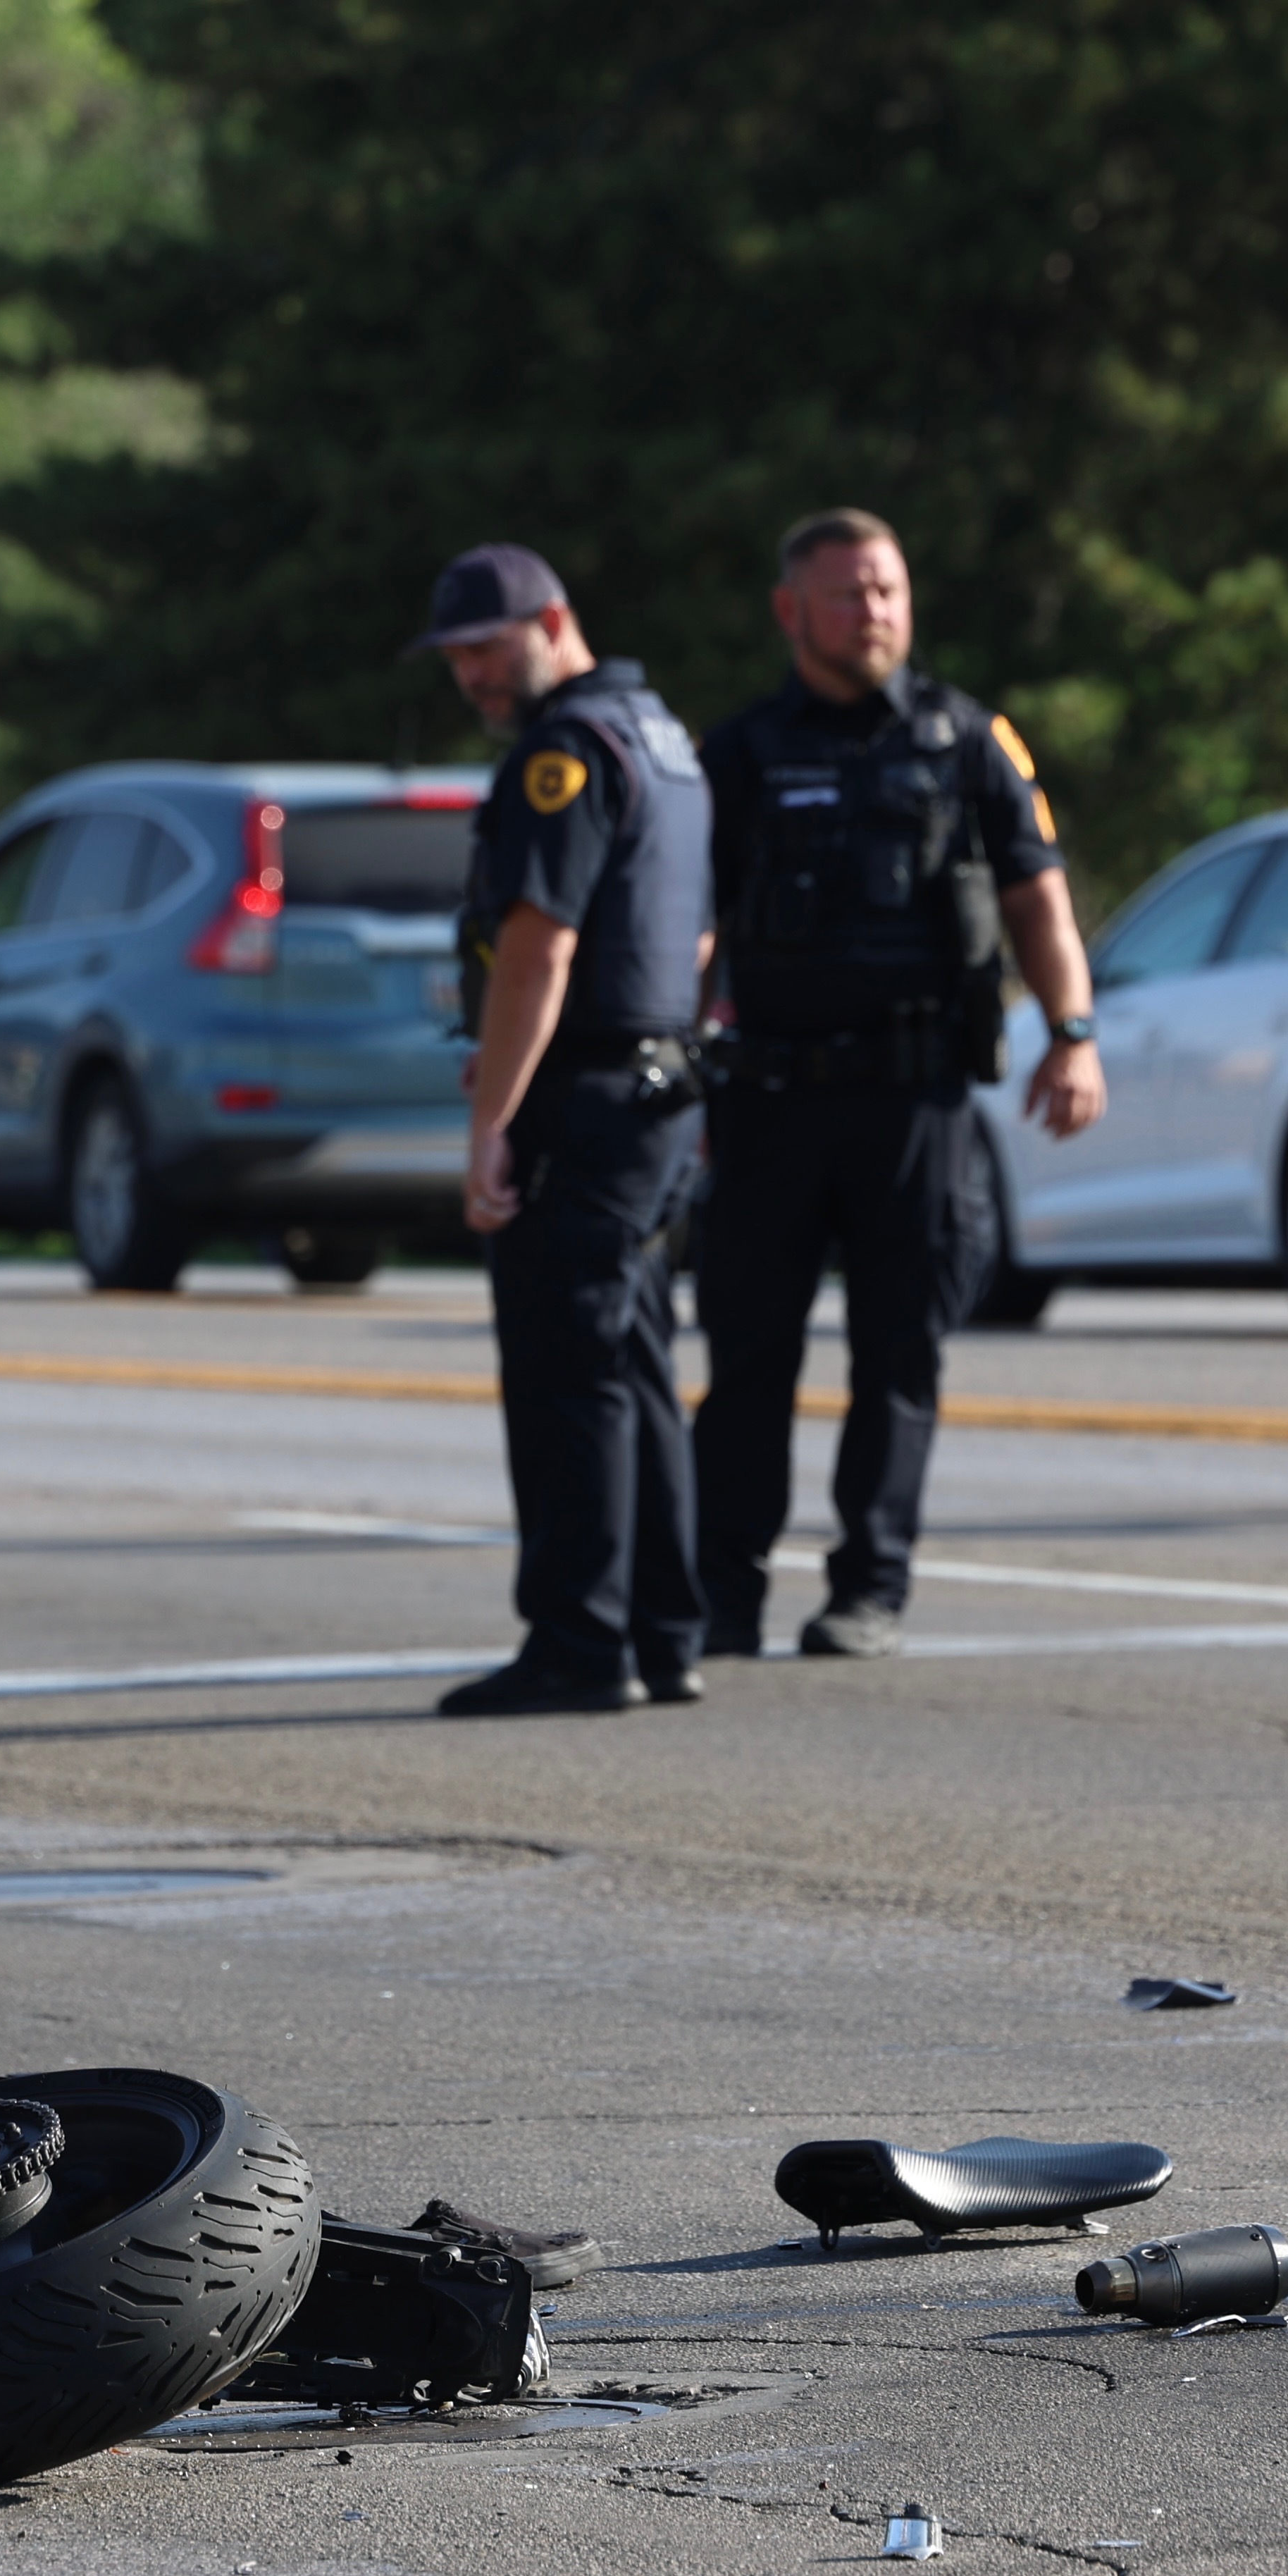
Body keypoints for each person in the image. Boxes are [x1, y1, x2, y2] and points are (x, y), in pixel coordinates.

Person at [690, 509, 1106, 1660]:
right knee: (749, 1358)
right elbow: (691, 925)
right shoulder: (738, 754)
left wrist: (1072, 1034)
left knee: (901, 1356)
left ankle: (869, 1588)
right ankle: (721, 1595)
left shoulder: (969, 740)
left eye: (888, 591)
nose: (874, 612)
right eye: (849, 594)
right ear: (791, 612)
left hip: (913, 1102)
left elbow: (1038, 898)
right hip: (769, 1104)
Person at [412, 543, 716, 1718]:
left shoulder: (567, 753)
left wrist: (495, 1121)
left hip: (586, 1097)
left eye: (487, 650)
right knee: (631, 1362)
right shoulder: (663, 739)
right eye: (455, 660)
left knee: (564, 1372)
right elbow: (691, 933)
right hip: (652, 1086)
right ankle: (663, 1630)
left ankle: (579, 1645)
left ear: (555, 622)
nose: (473, 678)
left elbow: (542, 945)